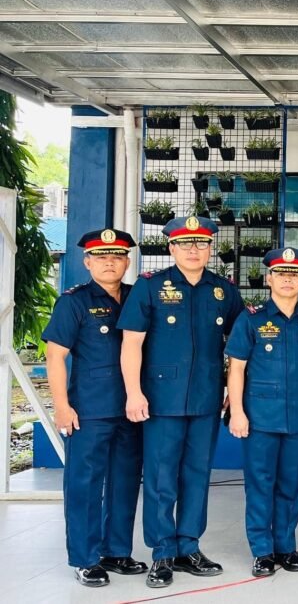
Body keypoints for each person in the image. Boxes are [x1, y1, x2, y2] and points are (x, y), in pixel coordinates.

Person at [118, 216, 244, 588]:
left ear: (210, 249)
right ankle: (161, 553)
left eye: (201, 244)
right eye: (185, 244)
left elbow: (240, 345)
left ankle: (189, 546)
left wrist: (234, 394)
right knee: (160, 478)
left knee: (196, 476)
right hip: (160, 399)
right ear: (171, 248)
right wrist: (133, 392)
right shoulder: (151, 288)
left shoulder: (223, 291)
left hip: (206, 398)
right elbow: (131, 345)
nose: (194, 250)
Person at [42, 229, 146, 587]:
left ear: (127, 262)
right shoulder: (73, 301)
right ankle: (85, 557)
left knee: (125, 482)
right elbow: (55, 356)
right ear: (87, 262)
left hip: (132, 410)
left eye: (117, 256)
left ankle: (117, 551)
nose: (109, 262)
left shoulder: (137, 297)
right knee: (85, 485)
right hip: (89, 410)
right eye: (100, 256)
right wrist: (61, 405)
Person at [225, 248, 298, 578]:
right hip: (260, 417)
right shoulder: (251, 319)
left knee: (292, 484)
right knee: (260, 484)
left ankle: (286, 547)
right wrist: (237, 411)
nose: (288, 280)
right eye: (281, 274)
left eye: (294, 274)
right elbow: (236, 369)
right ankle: (262, 551)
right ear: (268, 279)